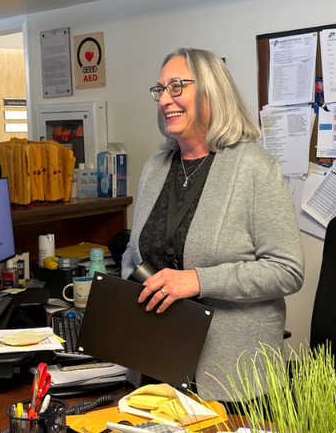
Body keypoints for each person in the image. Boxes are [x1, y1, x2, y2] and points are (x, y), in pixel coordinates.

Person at [121, 48, 305, 402]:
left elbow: (287, 270)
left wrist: (197, 280)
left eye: (177, 87)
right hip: (157, 363)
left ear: (211, 91)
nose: (164, 100)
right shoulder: (155, 169)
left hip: (232, 378)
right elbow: (134, 251)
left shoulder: (255, 168)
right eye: (159, 90)